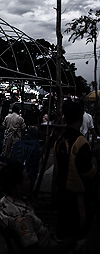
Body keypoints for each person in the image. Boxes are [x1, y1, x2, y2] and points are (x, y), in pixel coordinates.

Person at [0, 162, 79, 254]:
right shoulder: (22, 218)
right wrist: (64, 246)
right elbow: (36, 253)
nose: (30, 182)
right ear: (17, 187)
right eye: (26, 179)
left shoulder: (3, 202)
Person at [52, 101, 96, 239]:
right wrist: (95, 169)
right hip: (77, 197)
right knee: (77, 234)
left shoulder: (59, 140)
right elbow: (86, 172)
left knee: (64, 231)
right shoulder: (81, 142)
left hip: (62, 192)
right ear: (80, 118)